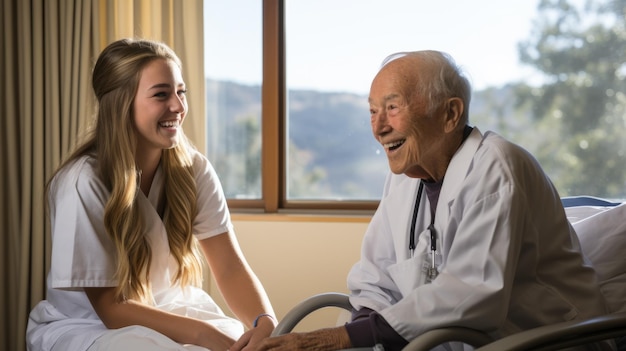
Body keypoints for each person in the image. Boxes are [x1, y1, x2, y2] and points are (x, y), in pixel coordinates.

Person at [248, 51, 610, 351]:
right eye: (372, 111)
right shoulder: (405, 179)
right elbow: (375, 276)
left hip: (551, 339)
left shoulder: (498, 167)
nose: (378, 127)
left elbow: (473, 292)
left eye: (392, 107)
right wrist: (362, 340)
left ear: (450, 114)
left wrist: (342, 337)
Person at [26, 38, 276, 351]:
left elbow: (229, 266)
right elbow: (111, 308)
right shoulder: (83, 182)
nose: (178, 106)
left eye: (181, 92)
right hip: (90, 326)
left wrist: (264, 320)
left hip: (174, 310)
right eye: (161, 94)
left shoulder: (194, 169)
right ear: (121, 103)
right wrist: (202, 335)